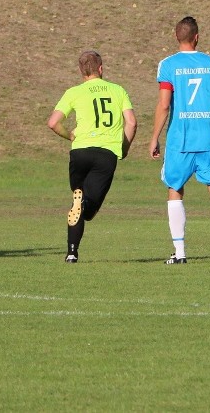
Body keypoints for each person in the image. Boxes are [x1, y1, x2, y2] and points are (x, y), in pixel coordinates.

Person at [148, 16, 210, 265]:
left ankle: (179, 253)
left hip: (180, 140)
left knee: (175, 190)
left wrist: (154, 137)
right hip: (208, 138)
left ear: (176, 37)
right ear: (197, 37)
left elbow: (165, 104)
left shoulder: (167, 65)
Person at [47, 50, 137, 263]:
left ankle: (71, 253)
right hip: (105, 154)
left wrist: (70, 135)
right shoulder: (118, 90)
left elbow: (52, 122)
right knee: (88, 209)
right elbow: (131, 122)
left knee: (76, 201)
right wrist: (123, 148)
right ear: (101, 68)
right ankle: (83, 205)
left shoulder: (74, 92)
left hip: (79, 152)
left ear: (81, 72)